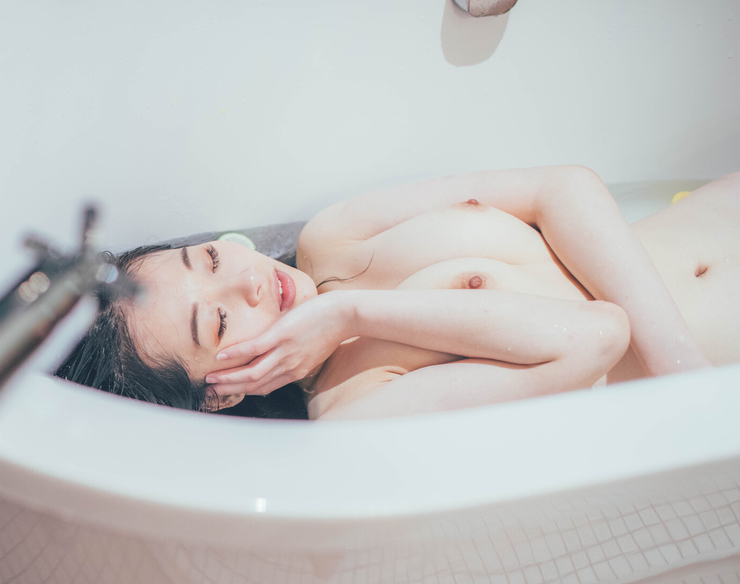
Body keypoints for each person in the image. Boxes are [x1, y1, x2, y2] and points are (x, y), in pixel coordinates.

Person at [57, 166, 739, 420]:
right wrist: (346, 311)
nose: (247, 277)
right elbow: (597, 336)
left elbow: (562, 186)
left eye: (209, 257)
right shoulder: (355, 412)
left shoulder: (333, 237)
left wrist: (680, 371)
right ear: (220, 391)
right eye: (220, 321)